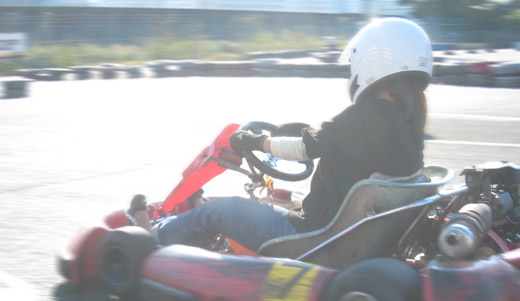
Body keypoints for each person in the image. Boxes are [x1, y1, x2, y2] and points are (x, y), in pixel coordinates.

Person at [145, 17, 434, 253]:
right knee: (283, 198)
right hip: (350, 234)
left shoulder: (365, 115)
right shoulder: (409, 126)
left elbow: (304, 149)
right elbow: (327, 141)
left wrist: (254, 141)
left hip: (311, 238)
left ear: (373, 61)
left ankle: (149, 240)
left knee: (218, 210)